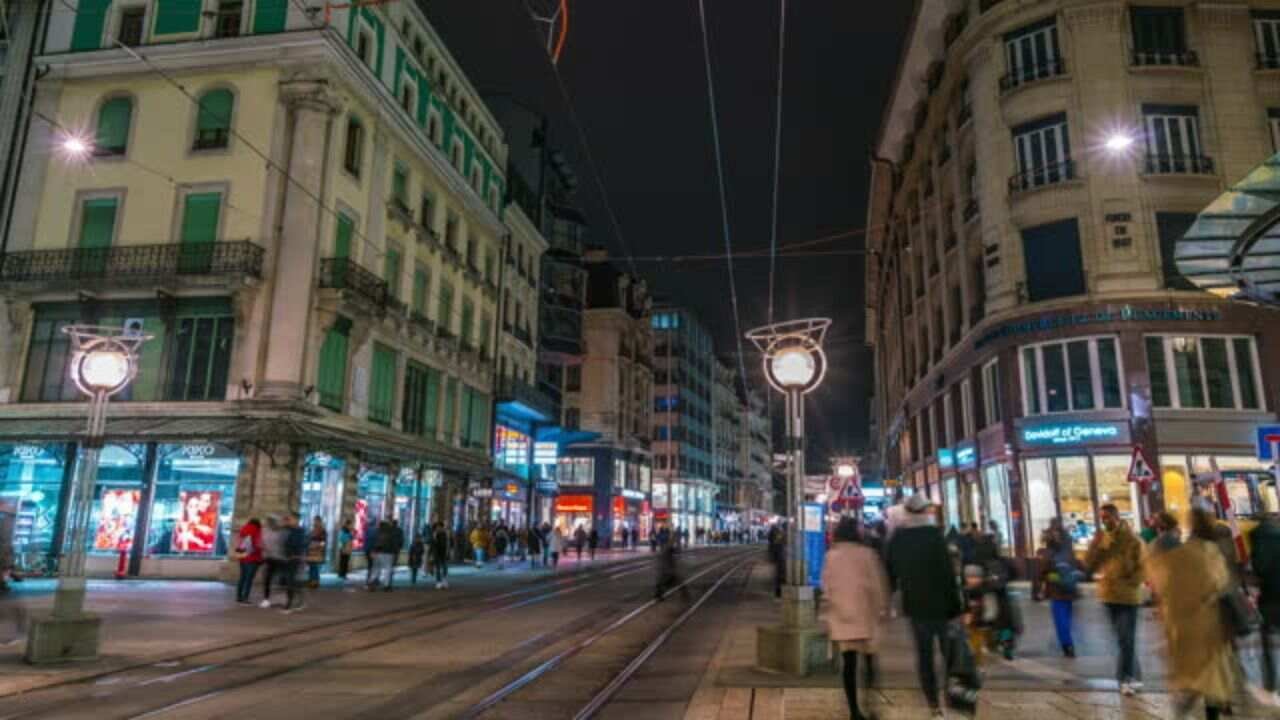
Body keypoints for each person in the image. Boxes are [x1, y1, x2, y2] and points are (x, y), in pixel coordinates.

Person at [1146, 504, 1237, 719]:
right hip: (1209, 623)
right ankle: (1211, 708)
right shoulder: (1210, 551)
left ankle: (1189, 706)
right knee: (1210, 674)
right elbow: (1220, 582)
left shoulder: (1181, 553)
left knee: (1193, 674)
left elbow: (1160, 580)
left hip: (1182, 623)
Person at [885, 493, 962, 718]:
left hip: (916, 605)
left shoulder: (898, 539)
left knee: (925, 655)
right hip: (942, 606)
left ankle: (933, 703)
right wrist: (957, 607)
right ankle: (951, 694)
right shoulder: (935, 536)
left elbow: (890, 572)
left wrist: (888, 601)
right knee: (949, 654)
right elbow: (948, 574)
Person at [822, 518, 889, 720]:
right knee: (869, 662)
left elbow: (827, 586)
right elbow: (877, 585)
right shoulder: (867, 554)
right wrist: (882, 609)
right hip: (865, 617)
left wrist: (829, 611)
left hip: (842, 617)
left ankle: (854, 711)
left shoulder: (831, 556)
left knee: (848, 666)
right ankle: (870, 704)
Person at [1085, 503, 1145, 696]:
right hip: (1109, 595)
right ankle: (1134, 675)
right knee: (1123, 639)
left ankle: (1124, 679)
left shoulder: (1132, 539)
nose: (1104, 521)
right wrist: (1095, 548)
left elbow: (1143, 566)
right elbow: (1090, 565)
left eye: (1107, 517)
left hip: (1128, 596)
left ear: (1116, 517)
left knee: (1126, 638)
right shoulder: (1101, 539)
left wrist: (1132, 581)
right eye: (1102, 518)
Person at [1039, 527, 1082, 657]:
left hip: (1056, 591)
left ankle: (1067, 645)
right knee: (1067, 618)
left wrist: (1044, 583)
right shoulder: (1069, 552)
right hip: (1069, 590)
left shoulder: (1049, 552)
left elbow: (1042, 572)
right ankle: (1068, 642)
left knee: (1060, 619)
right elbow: (1079, 568)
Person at [1251, 507, 1280, 696]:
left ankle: (1271, 682)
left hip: (1270, 594)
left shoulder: (1258, 538)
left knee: (1269, 640)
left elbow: (1259, 567)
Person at [281, 512, 308, 613]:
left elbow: (300, 545)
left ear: (296, 520)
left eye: (291, 519)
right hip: (288, 559)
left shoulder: (299, 532)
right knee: (292, 582)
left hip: (294, 559)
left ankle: (289, 605)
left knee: (291, 582)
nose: (289, 521)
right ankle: (299, 602)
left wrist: (295, 555)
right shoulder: (289, 530)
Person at [233, 517, 263, 605]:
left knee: (242, 577)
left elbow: (239, 543)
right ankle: (245, 597)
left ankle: (238, 596)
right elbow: (257, 545)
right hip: (252, 558)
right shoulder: (257, 531)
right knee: (249, 579)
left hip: (242, 556)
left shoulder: (243, 529)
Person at [259, 515, 286, 609]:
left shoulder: (280, 532)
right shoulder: (266, 531)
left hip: (277, 558)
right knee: (268, 579)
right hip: (269, 558)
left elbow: (283, 544)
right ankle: (267, 599)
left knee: (278, 579)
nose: (266, 523)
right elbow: (261, 543)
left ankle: (278, 598)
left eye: (268, 521)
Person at [306, 516, 327, 589]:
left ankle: (315, 582)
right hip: (311, 551)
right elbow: (308, 539)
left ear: (320, 522)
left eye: (317, 521)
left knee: (315, 567)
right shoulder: (312, 530)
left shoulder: (322, 531)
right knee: (312, 567)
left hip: (318, 552)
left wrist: (319, 546)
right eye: (314, 521)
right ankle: (311, 580)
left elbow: (323, 542)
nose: (315, 522)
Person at [429, 521, 451, 589]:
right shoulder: (434, 535)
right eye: (437, 527)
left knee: (445, 567)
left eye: (440, 527)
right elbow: (432, 545)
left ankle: (444, 581)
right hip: (436, 553)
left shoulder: (445, 534)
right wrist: (431, 554)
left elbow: (448, 544)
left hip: (443, 553)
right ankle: (438, 582)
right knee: (438, 568)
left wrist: (448, 552)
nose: (438, 528)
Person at [767, 523, 786, 598]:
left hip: (781, 558)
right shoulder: (782, 535)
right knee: (781, 576)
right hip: (782, 558)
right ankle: (779, 592)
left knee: (779, 576)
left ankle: (778, 592)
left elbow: (775, 543)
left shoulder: (780, 535)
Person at [363, 518, 379, 586]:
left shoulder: (367, 530)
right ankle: (372, 580)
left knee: (370, 565)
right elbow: (376, 540)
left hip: (367, 549)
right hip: (373, 550)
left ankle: (369, 579)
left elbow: (365, 540)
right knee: (373, 565)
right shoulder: (375, 530)